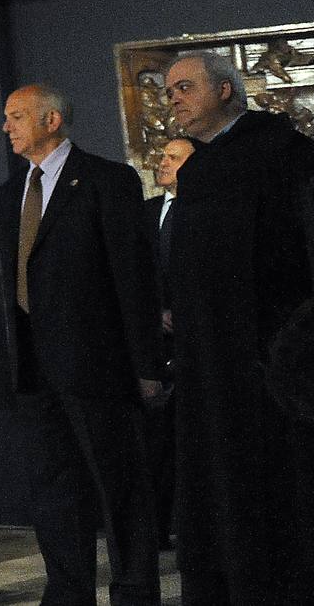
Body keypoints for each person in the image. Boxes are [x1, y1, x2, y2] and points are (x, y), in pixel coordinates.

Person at [161, 52, 314, 603]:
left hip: (271, 371)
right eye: (169, 91)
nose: (174, 99)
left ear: (227, 90)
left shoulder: (287, 155)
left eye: (185, 87)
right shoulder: (203, 167)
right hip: (211, 368)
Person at [0, 84, 161, 606]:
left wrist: (146, 363)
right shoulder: (10, 191)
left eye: (17, 116)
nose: (6, 127)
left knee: (119, 486)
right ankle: (67, 592)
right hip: (34, 366)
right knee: (53, 489)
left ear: (52, 120)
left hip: (97, 365)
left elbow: (132, 278)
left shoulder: (107, 180)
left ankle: (134, 590)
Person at [140, 134, 198, 550]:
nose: (162, 163)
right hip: (153, 347)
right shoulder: (143, 213)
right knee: (155, 445)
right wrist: (154, 310)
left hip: (198, 343)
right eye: (162, 155)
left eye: (174, 158)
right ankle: (158, 527)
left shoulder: (204, 211)